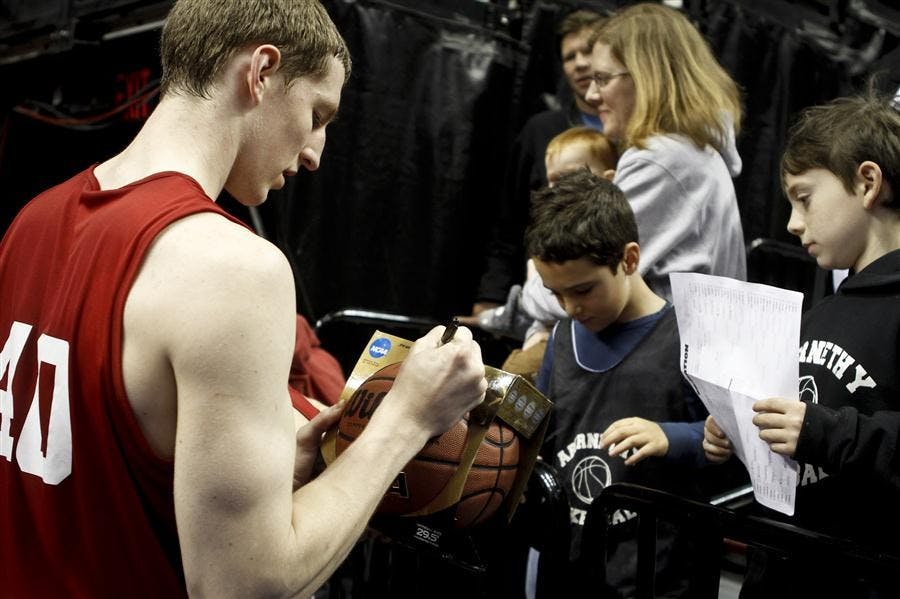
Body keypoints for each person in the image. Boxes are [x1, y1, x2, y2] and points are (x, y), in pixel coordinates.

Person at [0, 1, 487, 596]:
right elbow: (245, 586)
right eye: (317, 114)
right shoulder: (232, 267)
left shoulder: (31, 220)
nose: (315, 153)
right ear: (261, 72)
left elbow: (90, 463)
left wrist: (263, 469)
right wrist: (407, 421)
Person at [703, 93, 900, 598]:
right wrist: (740, 430)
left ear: (867, 182)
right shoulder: (820, 315)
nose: (792, 223)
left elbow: (828, 432)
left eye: (804, 198)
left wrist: (822, 431)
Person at [526, 168, 709, 598]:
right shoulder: (562, 338)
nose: (570, 307)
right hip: (570, 568)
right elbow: (541, 439)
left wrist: (671, 436)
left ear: (629, 259)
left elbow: (727, 445)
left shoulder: (688, 337)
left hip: (655, 575)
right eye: (555, 294)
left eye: (583, 290)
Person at [586, 2, 746, 300]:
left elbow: (585, 276)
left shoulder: (661, 159)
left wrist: (524, 296)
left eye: (603, 79)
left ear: (646, 77)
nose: (591, 95)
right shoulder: (690, 152)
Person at [471, 9, 605, 317]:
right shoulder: (541, 131)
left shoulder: (636, 132)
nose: (580, 63)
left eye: (588, 51)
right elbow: (509, 223)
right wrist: (490, 297)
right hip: (548, 297)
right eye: (570, 57)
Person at [472, 126, 619, 381]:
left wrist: (534, 296)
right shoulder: (550, 229)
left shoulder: (608, 233)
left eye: (570, 177)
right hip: (542, 336)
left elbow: (555, 303)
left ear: (608, 180)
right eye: (552, 180)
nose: (557, 189)